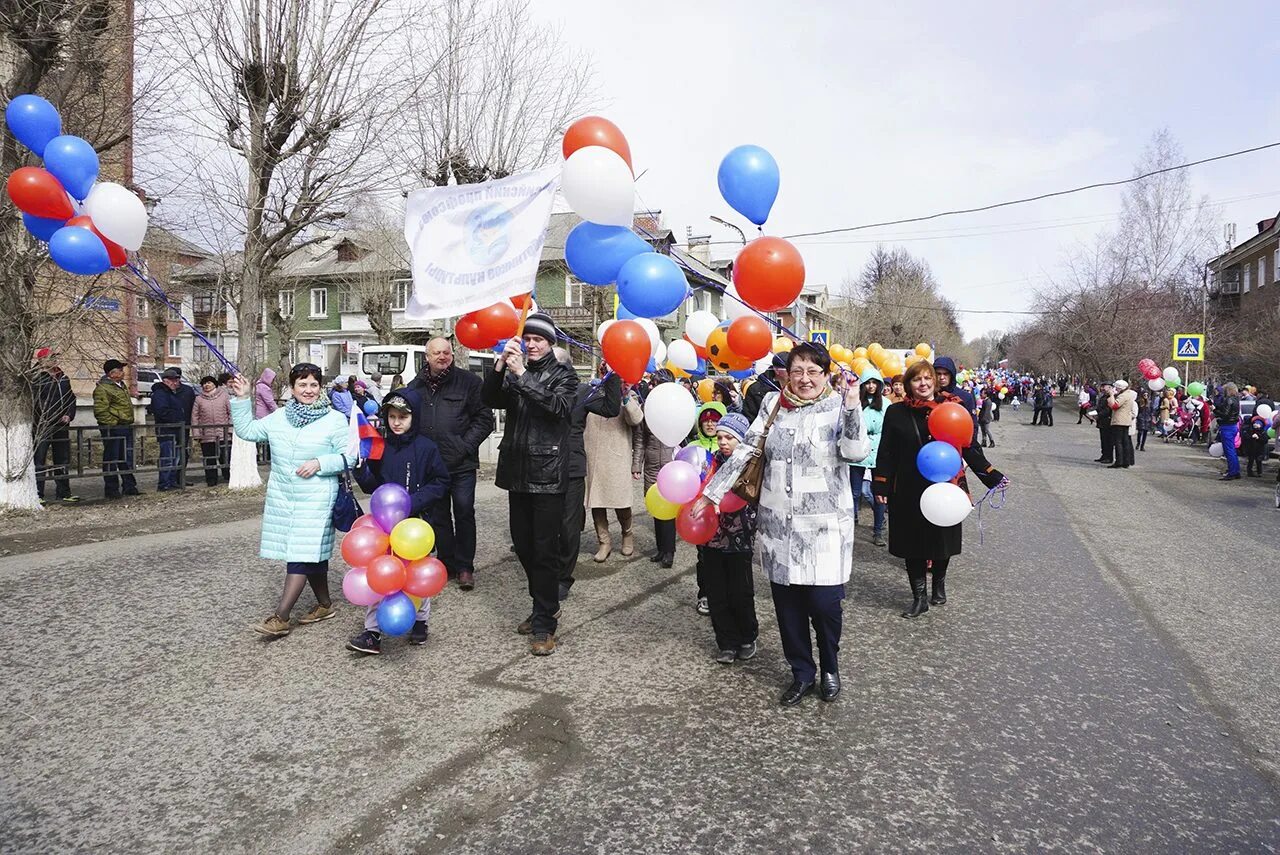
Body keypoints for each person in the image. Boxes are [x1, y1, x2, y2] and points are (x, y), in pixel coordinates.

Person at [701, 342, 869, 707]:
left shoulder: (839, 405)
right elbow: (747, 450)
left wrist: (853, 404)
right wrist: (712, 494)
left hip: (824, 528)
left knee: (825, 606)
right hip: (779, 526)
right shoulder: (772, 404)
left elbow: (856, 452)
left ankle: (830, 668)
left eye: (813, 371)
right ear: (786, 374)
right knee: (788, 607)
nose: (804, 379)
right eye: (797, 371)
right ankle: (802, 673)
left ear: (826, 374)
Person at [872, 360, 1007, 619]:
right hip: (908, 486)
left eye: (927, 378)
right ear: (909, 384)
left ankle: (939, 584)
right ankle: (919, 597)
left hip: (946, 487)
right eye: (916, 380)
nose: (922, 384)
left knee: (942, 538)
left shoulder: (953, 409)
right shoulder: (896, 412)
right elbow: (886, 450)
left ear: (935, 381)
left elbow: (969, 447)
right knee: (912, 542)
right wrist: (882, 482)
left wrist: (991, 476)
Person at [228, 363, 351, 636]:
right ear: (292, 389)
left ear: (321, 388)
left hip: (318, 498)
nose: (308, 390)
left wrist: (320, 462)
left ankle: (281, 617)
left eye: (314, 385)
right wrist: (240, 398)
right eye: (302, 385)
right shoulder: (278, 417)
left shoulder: (334, 419)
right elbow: (247, 431)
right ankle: (325, 604)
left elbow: (349, 456)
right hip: (284, 497)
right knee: (311, 553)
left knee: (299, 554)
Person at [481, 312, 578, 656]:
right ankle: (546, 604)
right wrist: (498, 369)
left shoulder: (564, 374)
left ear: (550, 343)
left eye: (538, 339)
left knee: (544, 550)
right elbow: (490, 400)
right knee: (523, 546)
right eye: (528, 339)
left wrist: (521, 374)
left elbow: (557, 407)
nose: (532, 345)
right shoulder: (514, 370)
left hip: (548, 475)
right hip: (518, 472)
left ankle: (544, 623)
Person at [347, 389, 451, 654]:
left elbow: (440, 482)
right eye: (392, 416)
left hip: (415, 524)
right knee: (379, 575)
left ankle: (420, 621)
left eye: (403, 417)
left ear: (414, 418)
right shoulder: (381, 446)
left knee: (417, 576)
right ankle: (372, 632)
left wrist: (412, 503)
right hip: (383, 527)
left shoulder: (427, 448)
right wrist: (361, 469)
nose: (396, 422)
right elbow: (373, 486)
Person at [407, 337, 496, 590]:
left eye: (446, 352)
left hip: (462, 464)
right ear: (427, 357)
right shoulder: (416, 386)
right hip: (431, 466)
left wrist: (465, 446)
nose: (442, 357)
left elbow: (484, 420)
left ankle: (466, 566)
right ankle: (447, 563)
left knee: (464, 512)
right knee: (439, 516)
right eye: (436, 353)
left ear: (452, 355)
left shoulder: (469, 382)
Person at [555, 349, 621, 598]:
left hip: (571, 465)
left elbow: (610, 408)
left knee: (569, 525)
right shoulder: (535, 385)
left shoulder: (582, 391)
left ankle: (563, 577)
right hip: (540, 467)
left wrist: (613, 375)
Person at [698, 412, 760, 664]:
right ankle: (726, 642)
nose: (723, 442)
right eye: (720, 437)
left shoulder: (751, 466)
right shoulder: (708, 464)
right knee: (716, 593)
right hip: (710, 538)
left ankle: (747, 636)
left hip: (739, 539)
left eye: (730, 438)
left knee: (740, 592)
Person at [584, 365, 643, 564]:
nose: (606, 375)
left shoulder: (628, 394)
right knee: (596, 502)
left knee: (621, 502)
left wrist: (625, 396)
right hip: (593, 456)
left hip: (617, 457)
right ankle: (604, 542)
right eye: (604, 371)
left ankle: (627, 534)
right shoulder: (592, 392)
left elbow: (636, 419)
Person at [633, 369, 681, 569]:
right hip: (652, 466)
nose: (651, 386)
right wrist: (637, 465)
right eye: (652, 383)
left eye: (656, 383)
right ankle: (660, 549)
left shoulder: (677, 408)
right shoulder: (647, 408)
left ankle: (669, 551)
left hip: (671, 465)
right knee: (655, 507)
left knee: (668, 510)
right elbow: (640, 439)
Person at [850, 366, 887, 547]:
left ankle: (878, 530)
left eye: (874, 383)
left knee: (878, 493)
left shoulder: (886, 404)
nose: (871, 386)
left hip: (880, 453)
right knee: (854, 492)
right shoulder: (855, 402)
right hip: (858, 451)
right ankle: (849, 525)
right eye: (868, 383)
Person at [33, 360, 79, 504]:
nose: (53, 360)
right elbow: (34, 401)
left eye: (54, 357)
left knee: (62, 459)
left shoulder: (63, 377)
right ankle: (38, 494)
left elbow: (71, 399)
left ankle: (64, 492)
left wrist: (69, 415)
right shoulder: (38, 378)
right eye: (50, 357)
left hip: (62, 425)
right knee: (39, 460)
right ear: (41, 361)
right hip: (43, 426)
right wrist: (46, 417)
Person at [94, 359, 140, 499]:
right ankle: (111, 489)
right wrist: (114, 423)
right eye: (120, 370)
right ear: (112, 373)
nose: (123, 372)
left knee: (126, 458)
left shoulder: (120, 385)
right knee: (111, 459)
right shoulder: (103, 388)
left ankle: (129, 486)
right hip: (113, 428)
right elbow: (101, 411)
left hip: (124, 426)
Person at [149, 367, 195, 491]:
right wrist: (178, 418)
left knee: (176, 457)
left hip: (176, 430)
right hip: (167, 430)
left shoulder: (170, 393)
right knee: (168, 458)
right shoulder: (160, 394)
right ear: (166, 381)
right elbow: (162, 412)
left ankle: (172, 481)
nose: (175, 383)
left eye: (177, 380)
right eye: (173, 381)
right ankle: (164, 483)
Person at [191, 376, 232, 486]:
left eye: (209, 383)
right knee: (209, 458)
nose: (206, 385)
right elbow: (195, 416)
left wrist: (230, 429)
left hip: (223, 433)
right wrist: (196, 434)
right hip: (207, 435)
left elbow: (231, 412)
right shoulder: (199, 399)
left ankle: (228, 477)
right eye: (204, 383)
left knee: (226, 457)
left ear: (214, 384)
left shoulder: (224, 396)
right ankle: (211, 479)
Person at [741, 352, 787, 422]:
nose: (793, 372)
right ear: (777, 370)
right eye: (789, 369)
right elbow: (749, 418)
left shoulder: (796, 387)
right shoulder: (755, 389)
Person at [1107, 380, 1137, 469]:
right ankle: (1126, 461)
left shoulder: (1124, 395)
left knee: (1118, 442)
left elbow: (1114, 406)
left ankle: (1119, 461)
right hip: (1126, 421)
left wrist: (1111, 395)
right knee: (1125, 441)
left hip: (1120, 421)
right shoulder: (1129, 395)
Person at [1215, 382, 1242, 481]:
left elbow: (1225, 414)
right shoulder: (1236, 400)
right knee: (1232, 450)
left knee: (1229, 451)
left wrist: (1214, 410)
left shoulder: (1229, 400)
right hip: (1233, 426)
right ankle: (1235, 470)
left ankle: (1232, 472)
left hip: (1227, 426)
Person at [1242, 409, 1269, 477]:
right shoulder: (1250, 430)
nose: (1256, 425)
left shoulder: (1263, 432)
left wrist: (1258, 438)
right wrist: (1251, 437)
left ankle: (1259, 472)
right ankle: (1249, 471)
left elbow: (1265, 440)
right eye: (1255, 423)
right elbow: (1245, 437)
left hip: (1259, 449)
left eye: (1258, 424)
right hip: (1251, 448)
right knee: (1250, 460)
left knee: (1258, 461)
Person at [1094, 381, 1114, 463]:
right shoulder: (1103, 396)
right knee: (1103, 439)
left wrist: (1099, 415)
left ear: (1109, 387)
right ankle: (1104, 455)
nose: (1102, 388)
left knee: (1108, 440)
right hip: (1102, 421)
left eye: (1104, 386)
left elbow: (1108, 409)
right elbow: (1099, 407)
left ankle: (1109, 457)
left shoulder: (1110, 397)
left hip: (1107, 420)